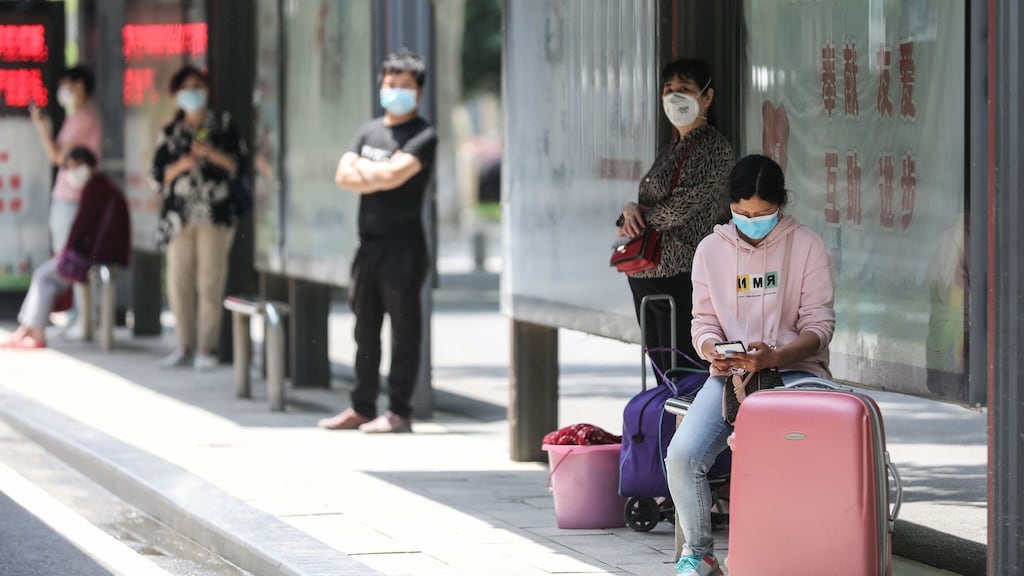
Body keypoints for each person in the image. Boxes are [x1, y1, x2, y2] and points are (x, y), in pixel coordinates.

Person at [665, 154, 835, 575]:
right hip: (730, 375)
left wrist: (776, 356)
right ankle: (700, 552)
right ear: (731, 206)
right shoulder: (710, 250)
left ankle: (793, 552)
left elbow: (820, 325)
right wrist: (711, 350)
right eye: (742, 213)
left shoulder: (807, 246)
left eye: (762, 214)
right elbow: (702, 322)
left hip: (795, 374)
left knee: (772, 454)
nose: (751, 222)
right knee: (683, 456)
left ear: (781, 206)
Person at [318, 49, 437, 434]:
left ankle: (399, 411)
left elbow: (391, 177)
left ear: (418, 91)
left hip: (404, 248)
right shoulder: (368, 130)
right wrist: (381, 171)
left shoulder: (423, 135)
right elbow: (342, 175)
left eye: (404, 85)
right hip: (367, 246)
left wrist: (367, 171)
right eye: (390, 84)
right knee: (364, 330)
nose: (395, 91)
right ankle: (362, 406)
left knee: (404, 332)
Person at [617, 58, 733, 372]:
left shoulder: (712, 148)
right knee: (662, 368)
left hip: (681, 273)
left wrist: (640, 218)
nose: (674, 97)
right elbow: (650, 203)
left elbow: (681, 205)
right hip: (649, 273)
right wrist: (630, 214)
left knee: (684, 365)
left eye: (684, 89)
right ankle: (668, 423)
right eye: (669, 90)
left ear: (707, 97)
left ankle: (686, 423)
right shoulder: (673, 147)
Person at [152, 65, 246, 371]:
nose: (192, 93)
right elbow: (157, 177)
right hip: (180, 219)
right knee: (178, 282)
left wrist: (211, 154)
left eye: (197, 86)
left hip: (215, 217)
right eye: (186, 88)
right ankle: (183, 344)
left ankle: (207, 347)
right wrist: (182, 164)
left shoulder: (224, 126)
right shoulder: (170, 132)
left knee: (210, 281)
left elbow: (239, 165)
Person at [1, 147, 129, 349]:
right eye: (69, 167)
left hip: (95, 257)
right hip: (101, 254)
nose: (73, 172)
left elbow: (82, 228)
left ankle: (33, 332)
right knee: (48, 278)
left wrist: (67, 252)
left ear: (91, 165)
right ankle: (29, 330)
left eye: (77, 166)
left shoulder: (96, 189)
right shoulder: (102, 187)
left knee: (43, 275)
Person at [30, 65, 104, 334]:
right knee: (71, 261)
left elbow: (57, 157)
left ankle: (84, 320)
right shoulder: (80, 117)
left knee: (71, 261)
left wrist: (40, 127)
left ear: (80, 86)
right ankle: (79, 317)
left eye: (67, 85)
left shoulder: (85, 118)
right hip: (69, 198)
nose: (64, 92)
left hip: (72, 200)